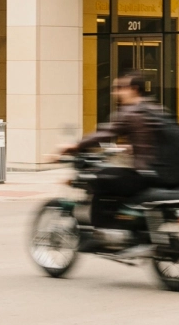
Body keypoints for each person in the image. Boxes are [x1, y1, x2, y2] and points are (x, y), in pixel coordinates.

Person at [63, 71, 163, 230]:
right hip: (160, 171)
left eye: (121, 87)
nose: (115, 92)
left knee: (100, 179)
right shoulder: (155, 109)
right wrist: (130, 147)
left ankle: (98, 233)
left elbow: (106, 133)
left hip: (144, 173)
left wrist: (75, 146)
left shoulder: (131, 111)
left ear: (134, 89)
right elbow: (153, 139)